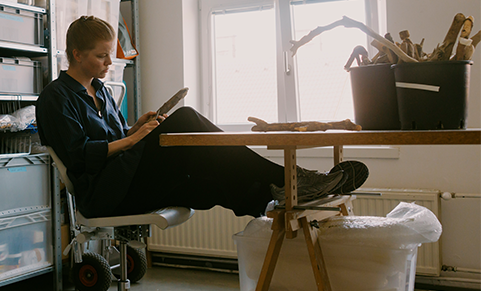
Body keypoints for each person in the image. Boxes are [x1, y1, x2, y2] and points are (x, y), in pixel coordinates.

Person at [36, 16, 368, 219]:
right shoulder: (55, 98)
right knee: (187, 120)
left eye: (111, 55)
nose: (110, 62)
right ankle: (292, 182)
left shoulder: (101, 90)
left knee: (208, 179)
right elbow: (81, 156)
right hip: (105, 194)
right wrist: (136, 138)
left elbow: (114, 135)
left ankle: (278, 199)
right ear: (76, 54)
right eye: (101, 56)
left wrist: (135, 127)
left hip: (127, 178)